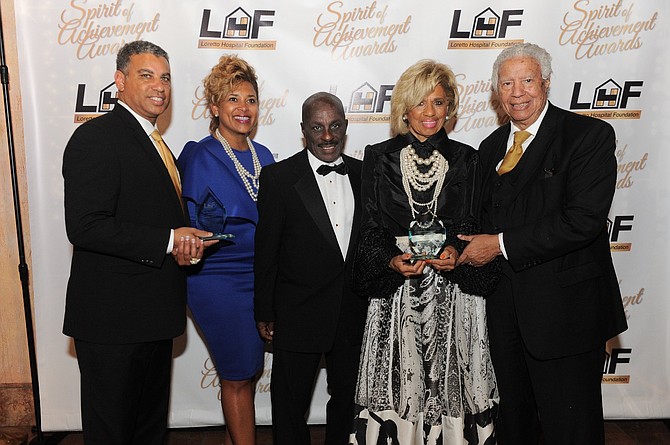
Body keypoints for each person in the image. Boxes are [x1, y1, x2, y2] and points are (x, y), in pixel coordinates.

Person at [456, 42, 628, 445]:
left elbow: (582, 221)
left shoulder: (587, 136)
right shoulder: (490, 147)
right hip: (504, 316)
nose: (517, 92)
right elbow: (478, 219)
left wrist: (498, 244)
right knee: (515, 425)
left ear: (546, 84)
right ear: (496, 92)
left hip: (566, 315)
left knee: (572, 428)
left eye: (527, 80)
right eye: (507, 83)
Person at [62, 40, 215, 445]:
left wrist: (184, 242)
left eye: (165, 77)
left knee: (147, 432)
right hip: (112, 322)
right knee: (112, 432)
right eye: (146, 75)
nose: (159, 86)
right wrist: (169, 239)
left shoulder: (156, 142)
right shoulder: (96, 138)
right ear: (120, 81)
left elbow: (147, 217)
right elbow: (85, 226)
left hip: (153, 316)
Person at [349, 60, 499, 444]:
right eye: (420, 102)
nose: (430, 113)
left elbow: (472, 223)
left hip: (453, 291)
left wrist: (455, 251)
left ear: (450, 107)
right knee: (399, 380)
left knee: (453, 380)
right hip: (397, 291)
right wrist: (390, 260)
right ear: (404, 107)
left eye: (438, 102)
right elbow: (369, 226)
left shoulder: (469, 157)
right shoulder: (378, 156)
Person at [254, 92, 368, 445]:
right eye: (317, 128)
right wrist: (265, 309)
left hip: (354, 310)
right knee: (289, 406)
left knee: (348, 402)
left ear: (346, 127)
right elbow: (266, 250)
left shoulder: (367, 174)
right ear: (304, 130)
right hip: (297, 310)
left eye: (335, 126)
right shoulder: (278, 177)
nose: (327, 136)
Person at [178, 55, 274, 445]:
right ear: (214, 107)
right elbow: (192, 229)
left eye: (250, 99)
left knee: (249, 371)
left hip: (261, 276)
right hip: (216, 279)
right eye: (232, 99)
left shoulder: (264, 156)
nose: (243, 108)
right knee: (236, 374)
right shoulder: (198, 156)